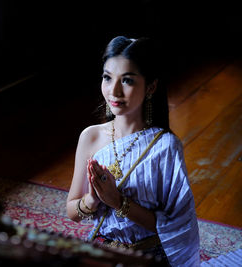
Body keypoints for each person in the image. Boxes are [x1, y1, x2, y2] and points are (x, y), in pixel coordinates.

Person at [66, 36, 200, 266]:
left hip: (147, 256)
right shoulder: (91, 137)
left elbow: (174, 225)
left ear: (151, 86)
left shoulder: (165, 146)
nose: (114, 91)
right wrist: (92, 200)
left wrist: (118, 201)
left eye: (127, 80)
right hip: (100, 251)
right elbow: (72, 210)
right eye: (107, 78)